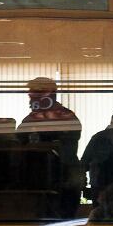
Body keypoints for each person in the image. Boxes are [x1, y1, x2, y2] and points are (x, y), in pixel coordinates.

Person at [17, 76, 83, 218]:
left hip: (62, 182)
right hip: (38, 184)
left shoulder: (67, 118)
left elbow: (66, 152)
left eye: (35, 93)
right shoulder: (30, 120)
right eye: (31, 94)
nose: (30, 98)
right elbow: (18, 146)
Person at [80, 111, 113, 218]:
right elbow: (85, 159)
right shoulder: (98, 138)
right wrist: (82, 182)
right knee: (98, 216)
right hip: (99, 184)